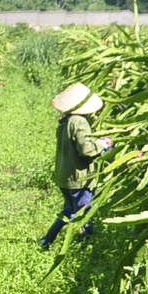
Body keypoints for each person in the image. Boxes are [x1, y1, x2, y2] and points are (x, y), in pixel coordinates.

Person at [40, 82, 108, 249]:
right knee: (85, 213)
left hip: (65, 175)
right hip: (79, 177)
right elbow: (85, 149)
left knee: (69, 211)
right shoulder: (79, 122)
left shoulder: (66, 121)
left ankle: (46, 241)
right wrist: (102, 145)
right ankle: (87, 246)